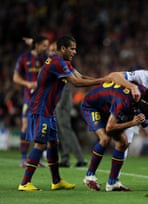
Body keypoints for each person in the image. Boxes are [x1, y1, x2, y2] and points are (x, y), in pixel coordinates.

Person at [17, 35, 116, 191]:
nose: (75, 52)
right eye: (72, 48)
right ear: (63, 48)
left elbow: (81, 77)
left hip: (49, 111)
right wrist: (102, 80)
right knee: (40, 144)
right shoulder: (57, 63)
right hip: (41, 109)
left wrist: (104, 80)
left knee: (53, 143)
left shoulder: (63, 63)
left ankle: (56, 181)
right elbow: (76, 82)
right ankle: (24, 182)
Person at [81, 81, 148, 191]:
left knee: (123, 142)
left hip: (106, 108)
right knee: (105, 138)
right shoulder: (123, 103)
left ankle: (112, 182)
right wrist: (132, 123)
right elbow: (110, 128)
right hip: (92, 106)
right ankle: (89, 177)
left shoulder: (137, 99)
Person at [13, 35, 49, 167]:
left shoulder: (45, 58)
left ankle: (35, 159)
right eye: (44, 45)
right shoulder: (24, 58)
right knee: (25, 126)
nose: (46, 48)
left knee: (39, 129)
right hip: (29, 98)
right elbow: (15, 78)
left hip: (43, 98)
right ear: (38, 45)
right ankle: (23, 158)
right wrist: (27, 83)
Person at [56, 83, 87, 168]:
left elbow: (65, 87)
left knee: (67, 132)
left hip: (63, 106)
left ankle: (80, 159)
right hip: (59, 105)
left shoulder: (60, 71)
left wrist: (60, 105)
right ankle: (65, 158)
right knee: (62, 133)